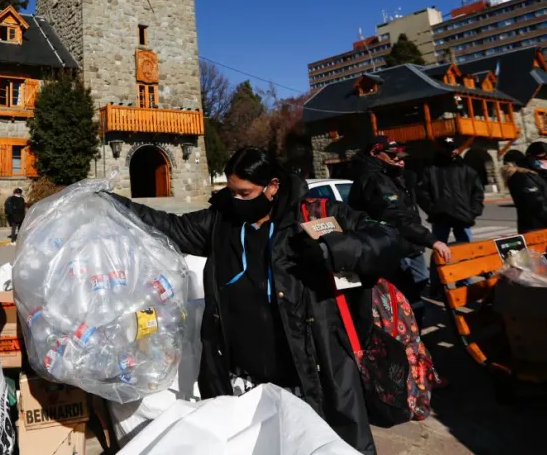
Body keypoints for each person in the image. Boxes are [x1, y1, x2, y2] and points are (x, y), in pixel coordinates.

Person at [107, 147, 401, 455]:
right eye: (231, 192)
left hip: (312, 374)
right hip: (242, 381)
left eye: (245, 193)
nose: (236, 200)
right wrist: (115, 205)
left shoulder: (316, 214)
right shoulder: (222, 222)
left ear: (272, 187)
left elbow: (389, 239)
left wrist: (335, 250)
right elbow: (172, 227)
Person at [348, 136, 451, 329]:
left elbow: (407, 211)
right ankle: (410, 341)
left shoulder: (389, 174)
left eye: (401, 157)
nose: (399, 161)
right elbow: (394, 216)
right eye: (393, 157)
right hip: (391, 249)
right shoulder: (373, 178)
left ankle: (411, 336)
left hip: (407, 244)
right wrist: (432, 241)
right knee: (404, 302)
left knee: (414, 292)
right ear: (375, 153)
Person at [417, 137, 485, 245]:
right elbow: (422, 193)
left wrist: (473, 211)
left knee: (467, 250)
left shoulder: (467, 170)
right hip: (440, 218)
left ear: (457, 150)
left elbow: (477, 192)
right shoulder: (431, 170)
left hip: (463, 216)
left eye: (453, 148)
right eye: (447, 148)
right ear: (442, 149)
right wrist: (432, 210)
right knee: (439, 251)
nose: (450, 151)